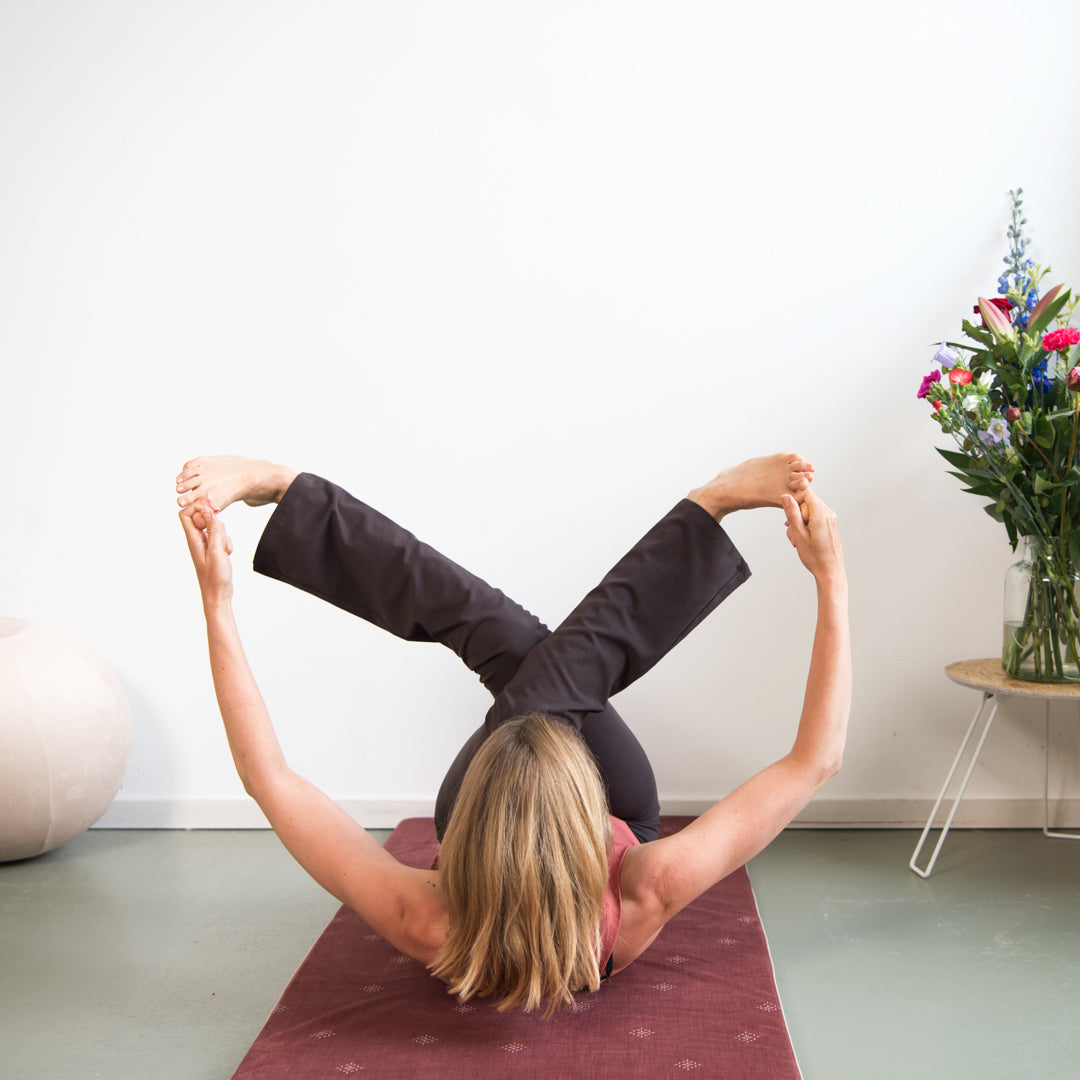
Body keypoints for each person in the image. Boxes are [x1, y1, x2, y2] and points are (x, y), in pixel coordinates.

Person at [176, 453, 849, 1016]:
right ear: (586, 803)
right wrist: (831, 577)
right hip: (622, 811)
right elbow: (816, 761)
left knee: (507, 642)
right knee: (520, 648)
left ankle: (288, 495)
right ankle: (710, 504)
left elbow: (269, 777)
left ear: (474, 802)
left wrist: (216, 601)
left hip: (505, 833)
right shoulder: (645, 884)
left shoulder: (427, 916)